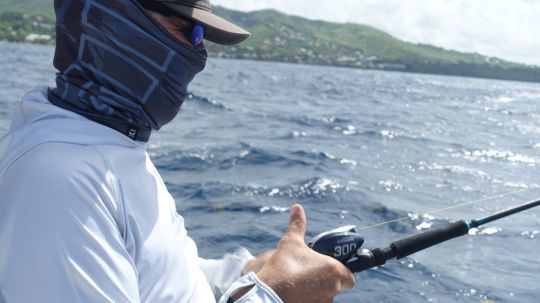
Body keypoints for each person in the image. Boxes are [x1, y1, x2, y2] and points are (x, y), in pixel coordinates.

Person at [0, 0, 355, 302]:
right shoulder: (58, 181)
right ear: (111, 17)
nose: (197, 50)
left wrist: (247, 272)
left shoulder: (111, 147)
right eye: (187, 28)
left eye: (200, 36)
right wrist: (272, 294)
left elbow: (161, 277)